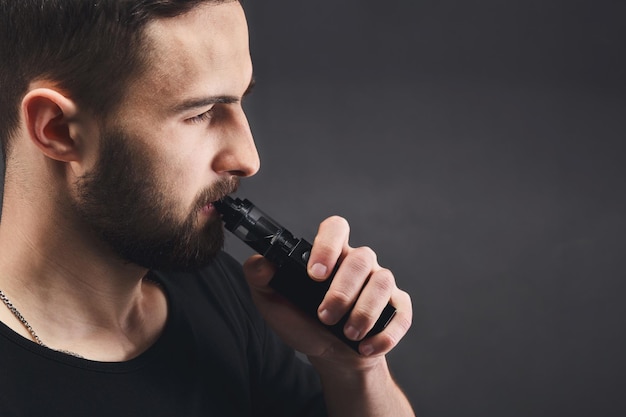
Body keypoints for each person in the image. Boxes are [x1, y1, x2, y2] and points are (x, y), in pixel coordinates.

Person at [0, 1, 414, 416]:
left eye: (239, 102)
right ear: (58, 129)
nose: (249, 158)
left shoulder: (219, 290)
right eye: (200, 113)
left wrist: (354, 369)